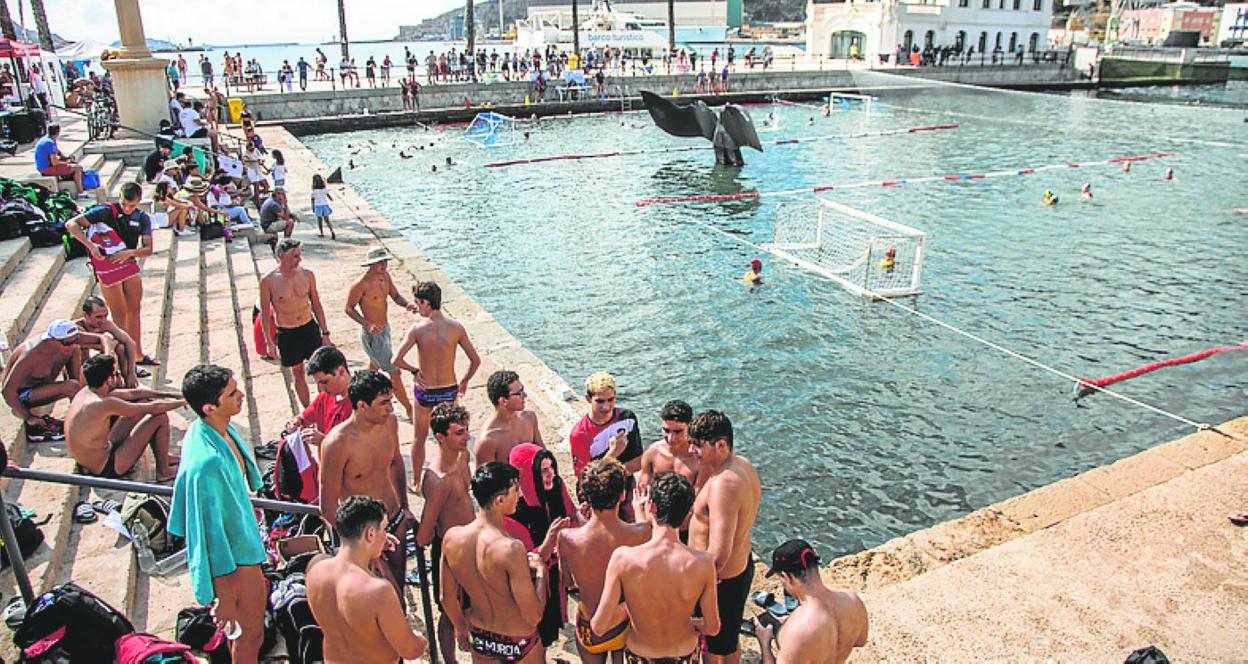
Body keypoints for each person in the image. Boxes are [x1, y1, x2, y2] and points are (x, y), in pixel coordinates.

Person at [169, 365, 267, 663]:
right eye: (232, 393)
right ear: (209, 407)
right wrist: (223, 596)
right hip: (235, 558)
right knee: (250, 636)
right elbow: (208, 534)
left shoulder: (215, 429)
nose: (241, 396)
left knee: (246, 635)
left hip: (242, 537)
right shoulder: (207, 464)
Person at [591, 472, 719, 663]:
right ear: (688, 514)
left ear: (652, 507)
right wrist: (692, 623)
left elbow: (599, 626)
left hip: (640, 654)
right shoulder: (703, 563)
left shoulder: (623, 559)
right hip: (683, 653)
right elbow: (712, 628)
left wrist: (629, 608)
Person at [440, 462, 547, 663]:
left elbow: (446, 597)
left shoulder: (451, 538)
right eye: (515, 490)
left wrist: (460, 626)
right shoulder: (510, 548)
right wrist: (541, 572)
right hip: (518, 637)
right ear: (499, 500)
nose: (520, 495)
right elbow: (533, 615)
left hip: (481, 635)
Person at [318, 371, 409, 603]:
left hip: (393, 517)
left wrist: (405, 508)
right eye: (383, 403)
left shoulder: (389, 424)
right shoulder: (337, 444)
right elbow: (328, 507)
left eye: (391, 401)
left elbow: (396, 462)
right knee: (385, 599)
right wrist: (364, 545)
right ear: (362, 405)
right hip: (363, 533)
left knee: (398, 590)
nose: (390, 409)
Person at [306, 495, 428, 664]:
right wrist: (421, 639)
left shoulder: (315, 569)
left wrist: (372, 547)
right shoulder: (378, 590)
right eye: (384, 529)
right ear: (370, 533)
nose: (385, 535)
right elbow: (411, 650)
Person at [392, 280, 481, 492]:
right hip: (448, 390)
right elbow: (475, 360)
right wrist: (464, 381)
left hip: (425, 391)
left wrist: (414, 371)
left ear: (426, 303)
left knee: (419, 438)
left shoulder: (417, 329)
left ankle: (416, 482)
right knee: (457, 438)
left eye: (417, 303)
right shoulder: (456, 328)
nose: (417, 308)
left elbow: (396, 359)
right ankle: (464, 478)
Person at [687, 410, 761, 664]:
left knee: (713, 646)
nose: (692, 451)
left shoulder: (723, 484)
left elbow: (719, 553)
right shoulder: (743, 466)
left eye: (698, 445)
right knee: (728, 642)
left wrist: (700, 586)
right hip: (739, 570)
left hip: (721, 579)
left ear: (720, 445)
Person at [560, 459, 650, 663]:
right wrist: (639, 509)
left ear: (586, 496)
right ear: (622, 495)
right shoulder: (641, 533)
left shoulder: (567, 538)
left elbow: (568, 582)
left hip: (590, 627)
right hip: (625, 625)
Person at [64, 182, 157, 368]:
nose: (127, 208)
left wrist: (129, 253)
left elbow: (148, 249)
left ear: (139, 201)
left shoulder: (142, 217)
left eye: (132, 205)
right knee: (119, 315)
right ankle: (125, 361)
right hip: (107, 267)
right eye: (124, 204)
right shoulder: (105, 211)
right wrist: (91, 246)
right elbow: (71, 224)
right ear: (119, 199)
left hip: (128, 265)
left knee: (134, 311)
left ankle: (137, 354)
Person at [414, 403, 477, 663]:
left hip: (472, 543)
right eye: (459, 433)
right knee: (449, 611)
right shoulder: (437, 481)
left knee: (476, 604)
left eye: (466, 430)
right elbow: (422, 536)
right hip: (450, 551)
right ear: (441, 437)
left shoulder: (462, 457)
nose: (467, 437)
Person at [65, 354, 183, 481]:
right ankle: (164, 471)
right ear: (109, 380)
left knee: (144, 401)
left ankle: (164, 457)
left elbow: (133, 394)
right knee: (160, 417)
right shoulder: (102, 403)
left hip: (95, 456)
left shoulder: (88, 391)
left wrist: (172, 395)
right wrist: (183, 402)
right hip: (107, 466)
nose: (119, 377)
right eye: (116, 374)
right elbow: (154, 408)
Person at [752, 539, 869, 664]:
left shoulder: (796, 630)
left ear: (786, 577)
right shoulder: (853, 599)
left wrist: (765, 643)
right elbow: (861, 641)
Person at [507, 444, 574, 655]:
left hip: (553, 576)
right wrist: (549, 541)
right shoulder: (512, 511)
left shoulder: (556, 486)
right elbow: (523, 563)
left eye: (552, 467)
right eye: (544, 470)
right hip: (532, 584)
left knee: (548, 631)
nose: (551, 474)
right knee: (533, 636)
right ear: (528, 475)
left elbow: (572, 515)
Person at [344, 247, 418, 419]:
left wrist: (407, 304)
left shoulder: (385, 277)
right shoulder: (361, 284)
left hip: (385, 329)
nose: (384, 265)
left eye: (385, 261)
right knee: (395, 372)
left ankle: (357, 396)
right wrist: (366, 324)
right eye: (380, 262)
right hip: (372, 335)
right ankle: (408, 408)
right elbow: (348, 308)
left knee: (374, 367)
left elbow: (396, 296)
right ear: (371, 264)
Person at [259, 239, 332, 407]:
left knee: (320, 370)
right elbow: (265, 314)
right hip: (287, 332)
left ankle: (325, 406)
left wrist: (325, 332)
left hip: (308, 327)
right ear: (282, 256)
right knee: (297, 372)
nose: (299, 259)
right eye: (295, 256)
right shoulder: (268, 281)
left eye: (299, 255)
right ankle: (308, 409)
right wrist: (269, 342)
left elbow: (316, 304)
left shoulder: (307, 275)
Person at [1, 320, 93, 442]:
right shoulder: (32, 354)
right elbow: (7, 390)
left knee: (79, 385)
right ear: (52, 341)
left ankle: (80, 421)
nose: (71, 346)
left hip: (41, 388)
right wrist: (28, 417)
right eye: (67, 343)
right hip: (22, 395)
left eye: (75, 340)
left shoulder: (72, 349)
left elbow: (76, 380)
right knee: (72, 386)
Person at [569, 372, 643, 517]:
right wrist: (612, 454)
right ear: (588, 399)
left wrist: (612, 474)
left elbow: (639, 461)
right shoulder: (579, 434)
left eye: (611, 400)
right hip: (596, 496)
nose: (606, 407)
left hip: (624, 488)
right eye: (600, 401)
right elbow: (585, 481)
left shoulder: (627, 419)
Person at [475, 370, 544, 465]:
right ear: (503, 401)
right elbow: (485, 474)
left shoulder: (529, 418)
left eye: (523, 390)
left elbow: (544, 456)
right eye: (519, 393)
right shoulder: (488, 441)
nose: (525, 395)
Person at [75, 295, 142, 385]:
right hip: (80, 367)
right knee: (80, 351)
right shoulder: (77, 328)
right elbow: (82, 346)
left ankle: (126, 381)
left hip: (98, 359)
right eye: (98, 317)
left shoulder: (106, 324)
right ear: (85, 315)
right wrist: (109, 344)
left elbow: (130, 343)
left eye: (105, 316)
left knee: (121, 348)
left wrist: (131, 373)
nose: (103, 320)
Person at [638, 400, 698, 495]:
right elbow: (643, 491)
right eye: (666, 430)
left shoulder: (699, 458)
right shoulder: (651, 453)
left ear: (690, 427)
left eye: (678, 432)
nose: (671, 438)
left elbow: (702, 497)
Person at [34, 124, 86, 195]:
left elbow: (56, 151)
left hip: (43, 167)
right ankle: (81, 192)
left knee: (71, 164)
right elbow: (55, 163)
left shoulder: (46, 139)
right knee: (78, 168)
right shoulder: (50, 143)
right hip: (46, 169)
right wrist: (67, 163)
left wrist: (65, 157)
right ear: (58, 132)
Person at [310, 174, 336, 239]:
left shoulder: (314, 192)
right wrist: (331, 199)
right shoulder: (324, 190)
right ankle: (332, 231)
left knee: (320, 221)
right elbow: (328, 195)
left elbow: (312, 200)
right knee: (327, 220)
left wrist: (313, 207)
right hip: (325, 205)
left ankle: (321, 233)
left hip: (318, 206)